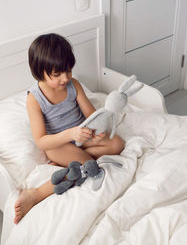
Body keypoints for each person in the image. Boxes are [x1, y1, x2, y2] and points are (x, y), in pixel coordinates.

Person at [14, 33, 125, 224]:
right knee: (87, 165)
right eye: (57, 74)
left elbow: (91, 115)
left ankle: (67, 162)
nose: (65, 78)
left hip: (82, 136)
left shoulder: (74, 85)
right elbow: (40, 140)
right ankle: (36, 194)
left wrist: (96, 132)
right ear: (39, 71)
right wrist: (70, 134)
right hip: (58, 143)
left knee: (117, 143)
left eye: (68, 70)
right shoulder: (34, 99)